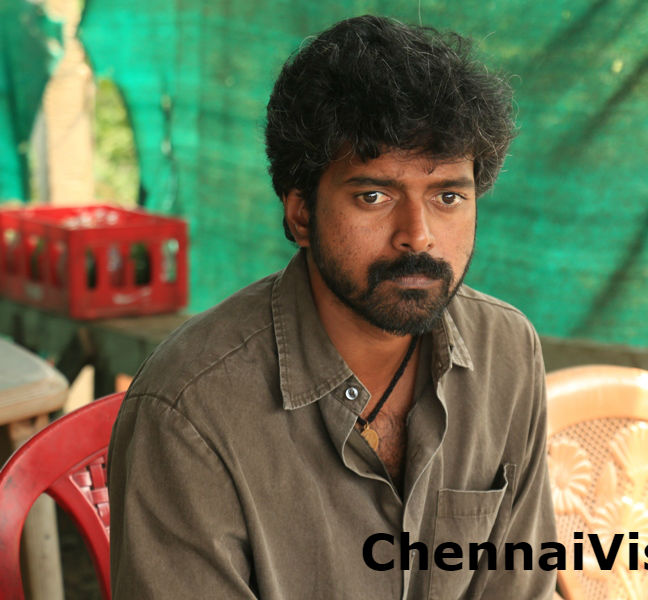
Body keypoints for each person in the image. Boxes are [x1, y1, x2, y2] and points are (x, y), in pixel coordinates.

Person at [108, 15, 556, 599]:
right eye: (374, 195)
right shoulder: (190, 413)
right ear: (300, 213)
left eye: (448, 196)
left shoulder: (506, 352)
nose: (418, 236)